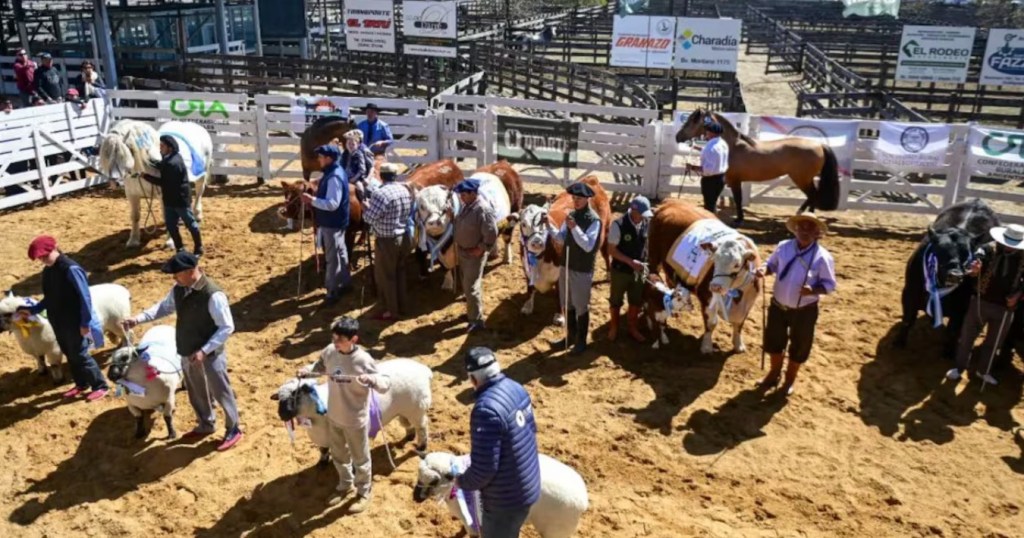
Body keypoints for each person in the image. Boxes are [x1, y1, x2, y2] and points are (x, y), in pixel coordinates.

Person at [123, 251, 243, 451]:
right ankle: (206, 424)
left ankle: (234, 428)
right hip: (187, 349)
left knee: (220, 391)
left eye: (177, 274)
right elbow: (164, 307)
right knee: (195, 390)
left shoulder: (214, 295)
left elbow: (226, 327)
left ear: (190, 272)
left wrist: (205, 350)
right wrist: (138, 319)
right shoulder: (179, 288)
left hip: (210, 354)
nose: (174, 278)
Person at [298, 317, 390, 511]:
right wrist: (307, 371)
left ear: (353, 339)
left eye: (340, 339)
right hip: (334, 416)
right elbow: (319, 367)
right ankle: (344, 484)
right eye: (334, 337)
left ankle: (364, 492)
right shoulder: (330, 351)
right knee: (339, 455)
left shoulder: (364, 360)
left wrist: (371, 379)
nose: (335, 342)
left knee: (360, 458)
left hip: (355, 420)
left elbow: (385, 383)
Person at [454, 347, 541, 538]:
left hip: (505, 501)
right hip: (529, 483)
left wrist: (460, 481)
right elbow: (532, 429)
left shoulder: (486, 410)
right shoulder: (516, 387)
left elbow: (484, 470)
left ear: (473, 379)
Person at [16, 236, 109, 401]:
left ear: (55, 249)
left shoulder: (71, 269)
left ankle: (100, 385)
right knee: (68, 353)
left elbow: (84, 297)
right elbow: (49, 297)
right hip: (58, 321)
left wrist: (85, 322)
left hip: (74, 321)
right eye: (40, 258)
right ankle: (81, 384)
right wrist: (33, 310)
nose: (43, 260)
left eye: (45, 256)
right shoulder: (48, 271)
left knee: (80, 354)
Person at [756, 215, 837, 396]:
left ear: (817, 233)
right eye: (802, 228)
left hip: (805, 310)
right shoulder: (783, 246)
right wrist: (764, 270)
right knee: (773, 341)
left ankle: (789, 379)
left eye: (810, 229)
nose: (805, 232)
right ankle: (773, 372)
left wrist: (813, 289)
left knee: (800, 345)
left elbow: (829, 285)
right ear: (795, 229)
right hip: (778, 305)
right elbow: (772, 264)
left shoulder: (823, 257)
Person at [946, 224, 1024, 385]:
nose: (1008, 247)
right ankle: (959, 368)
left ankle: (984, 371)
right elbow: (976, 262)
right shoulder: (987, 250)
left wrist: (1018, 294)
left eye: (1012, 245)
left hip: (1006, 309)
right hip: (980, 303)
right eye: (1006, 243)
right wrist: (974, 269)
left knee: (994, 343)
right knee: (967, 338)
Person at [549, 182, 602, 354]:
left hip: (581, 269)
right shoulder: (571, 215)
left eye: (579, 198)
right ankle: (570, 337)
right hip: (566, 265)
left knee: (581, 306)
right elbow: (561, 238)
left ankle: (581, 341)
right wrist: (548, 226)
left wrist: (575, 228)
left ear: (587, 199)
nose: (576, 201)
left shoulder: (594, 220)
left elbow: (587, 245)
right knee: (568, 303)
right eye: (574, 198)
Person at [301, 143, 352, 305]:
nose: (318, 159)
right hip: (337, 222)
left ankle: (332, 292)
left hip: (332, 223)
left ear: (329, 159)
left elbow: (332, 204)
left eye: (321, 157)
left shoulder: (334, 177)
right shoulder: (335, 172)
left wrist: (312, 200)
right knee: (341, 252)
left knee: (332, 259)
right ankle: (345, 283)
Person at [363, 163, 413, 321]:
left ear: (381, 176)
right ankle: (403, 306)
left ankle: (391, 310)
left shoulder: (380, 194)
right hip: (403, 236)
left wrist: (366, 207)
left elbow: (369, 218)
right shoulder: (404, 190)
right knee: (400, 273)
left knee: (386, 276)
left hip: (387, 240)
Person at [142, 135, 204, 256]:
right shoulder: (172, 158)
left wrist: (145, 176)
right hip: (171, 200)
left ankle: (198, 247)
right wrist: (147, 160)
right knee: (171, 226)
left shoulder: (173, 163)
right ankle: (180, 248)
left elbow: (163, 182)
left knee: (190, 223)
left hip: (179, 200)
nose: (160, 148)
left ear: (169, 148)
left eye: (162, 146)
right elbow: (161, 165)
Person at [453, 178, 498, 333]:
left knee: (471, 287)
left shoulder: (483, 210)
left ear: (473, 193)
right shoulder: (468, 206)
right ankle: (471, 313)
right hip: (464, 252)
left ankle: (477, 320)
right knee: (466, 284)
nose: (461, 197)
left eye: (464, 194)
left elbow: (491, 233)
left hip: (473, 254)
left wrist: (482, 248)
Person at [607, 196, 654, 342]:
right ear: (633, 210)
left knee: (636, 300)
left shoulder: (646, 222)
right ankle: (614, 327)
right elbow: (611, 250)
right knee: (616, 300)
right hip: (620, 270)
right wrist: (630, 261)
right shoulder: (618, 224)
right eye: (641, 214)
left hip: (639, 270)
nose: (643, 217)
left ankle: (632, 327)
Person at [699, 119, 729, 217]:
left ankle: (709, 222)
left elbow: (708, 170)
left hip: (710, 180)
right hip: (720, 178)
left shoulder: (711, 148)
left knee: (709, 205)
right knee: (712, 203)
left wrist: (693, 167)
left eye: (707, 131)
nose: (706, 132)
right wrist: (699, 149)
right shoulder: (723, 143)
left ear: (711, 133)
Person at [341, 130, 369, 201]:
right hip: (345, 176)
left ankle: (364, 201)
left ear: (358, 145)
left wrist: (354, 179)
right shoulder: (345, 154)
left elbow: (362, 170)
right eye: (348, 143)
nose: (350, 146)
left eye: (353, 144)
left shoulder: (359, 154)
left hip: (356, 177)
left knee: (360, 187)